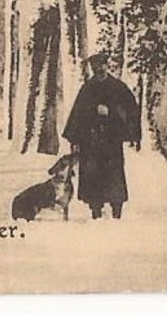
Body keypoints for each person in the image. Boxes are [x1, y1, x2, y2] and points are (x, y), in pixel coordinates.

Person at [63, 53, 141, 220]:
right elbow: (77, 115)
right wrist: (75, 139)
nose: (100, 70)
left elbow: (130, 111)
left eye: (102, 66)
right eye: (96, 68)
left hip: (111, 141)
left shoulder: (118, 87)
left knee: (114, 176)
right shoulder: (87, 89)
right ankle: (96, 212)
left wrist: (111, 112)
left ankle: (116, 212)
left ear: (107, 66)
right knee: (93, 177)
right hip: (91, 143)